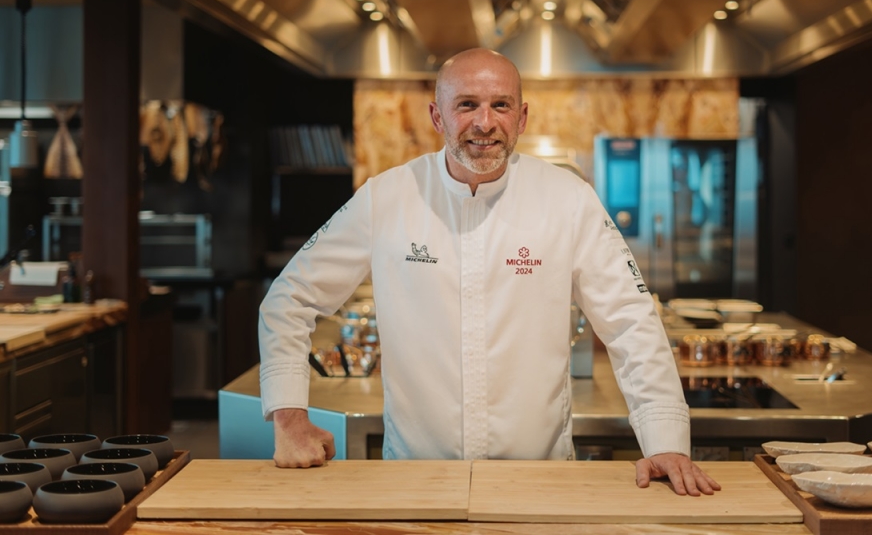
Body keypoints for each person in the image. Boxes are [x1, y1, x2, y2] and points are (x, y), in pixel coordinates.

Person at [258, 48, 720, 496]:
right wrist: (289, 417)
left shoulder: (568, 199)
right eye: (466, 105)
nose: (485, 122)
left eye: (501, 105)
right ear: (437, 116)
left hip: (540, 482)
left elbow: (630, 319)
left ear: (522, 117)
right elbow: (289, 298)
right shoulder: (386, 197)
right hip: (414, 482)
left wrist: (665, 441)